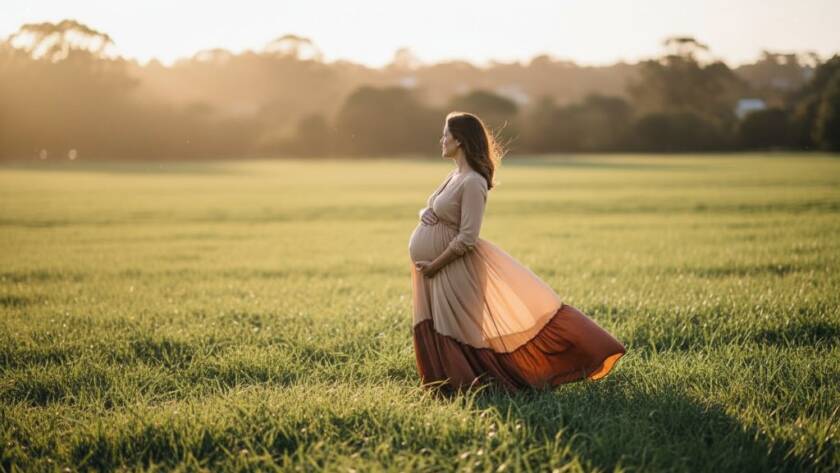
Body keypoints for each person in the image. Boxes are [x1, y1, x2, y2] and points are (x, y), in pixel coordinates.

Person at [408, 111, 626, 395]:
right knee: (438, 326)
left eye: (446, 134)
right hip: (436, 269)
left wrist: (436, 265)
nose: (442, 139)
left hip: (453, 267)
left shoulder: (473, 181)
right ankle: (445, 386)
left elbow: (468, 237)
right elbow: (439, 208)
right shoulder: (454, 175)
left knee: (458, 330)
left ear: (460, 140)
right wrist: (425, 213)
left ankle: (479, 388)